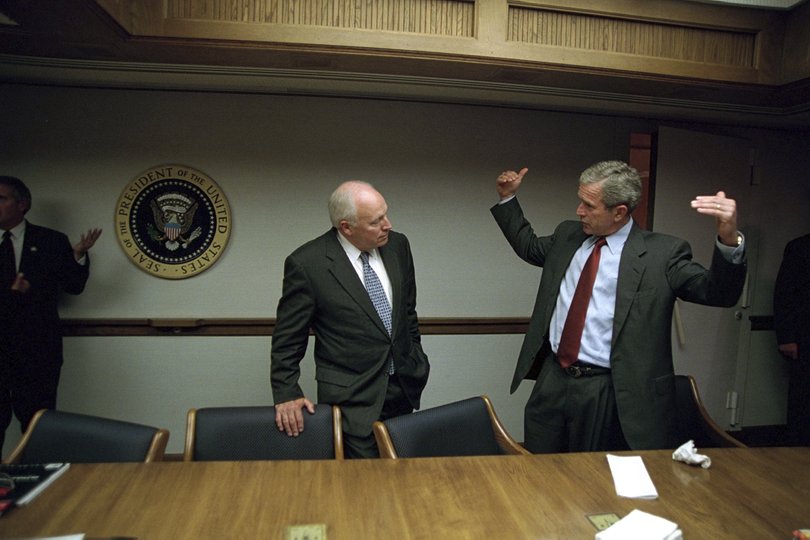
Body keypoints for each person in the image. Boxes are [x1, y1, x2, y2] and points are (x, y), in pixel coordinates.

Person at [491, 161, 747, 453]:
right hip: (553, 377)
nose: (579, 211)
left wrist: (729, 238)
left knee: (591, 477)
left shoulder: (661, 254)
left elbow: (718, 293)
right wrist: (507, 198)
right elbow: (529, 247)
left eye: (589, 205)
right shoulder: (569, 236)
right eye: (580, 201)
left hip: (605, 386)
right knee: (537, 468)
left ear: (619, 211)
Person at [271, 180, 430, 458]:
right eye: (376, 221)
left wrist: (416, 357)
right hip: (352, 398)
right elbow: (288, 338)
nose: (388, 225)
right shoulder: (308, 264)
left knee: (407, 481)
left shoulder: (398, 246)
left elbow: (407, 312)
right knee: (363, 488)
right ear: (347, 227)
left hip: (403, 387)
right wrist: (286, 392)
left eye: (386, 214)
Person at [0, 175, 102, 450]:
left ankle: (41, 485)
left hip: (36, 351)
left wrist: (76, 255)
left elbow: (73, 285)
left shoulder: (50, 241)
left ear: (22, 204)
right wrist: (11, 295)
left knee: (38, 424)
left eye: (1, 198)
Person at [773, 233, 810, 446]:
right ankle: (798, 448)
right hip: (805, 337)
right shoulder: (801, 247)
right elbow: (784, 293)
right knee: (802, 398)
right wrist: (786, 337)